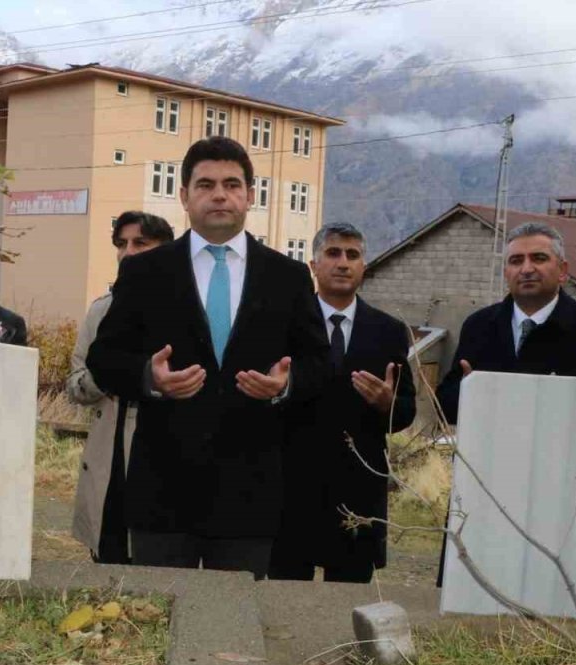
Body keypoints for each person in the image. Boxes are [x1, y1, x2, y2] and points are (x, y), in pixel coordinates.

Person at [86, 136, 330, 577]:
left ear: (250, 196)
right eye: (205, 184)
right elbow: (104, 357)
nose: (220, 194)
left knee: (237, 629)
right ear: (184, 196)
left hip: (249, 495)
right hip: (162, 491)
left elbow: (320, 363)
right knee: (156, 619)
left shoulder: (287, 277)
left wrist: (285, 386)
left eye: (232, 184)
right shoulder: (145, 272)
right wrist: (148, 377)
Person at [269, 223, 416, 583]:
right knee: (285, 603)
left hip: (357, 489)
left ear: (364, 266)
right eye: (333, 253)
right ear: (313, 265)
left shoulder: (390, 331)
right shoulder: (282, 324)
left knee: (347, 607)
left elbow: (407, 410)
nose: (343, 263)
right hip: (292, 485)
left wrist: (387, 403)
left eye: (353, 255)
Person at [69, 211, 176, 564]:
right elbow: (75, 385)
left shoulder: (183, 309)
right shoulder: (100, 312)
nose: (128, 252)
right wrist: (110, 371)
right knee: (109, 564)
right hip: (109, 459)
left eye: (140, 243)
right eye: (121, 244)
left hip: (164, 462)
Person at [435, 222, 576, 424]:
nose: (526, 269)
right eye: (516, 261)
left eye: (539, 258)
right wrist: (471, 391)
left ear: (563, 270)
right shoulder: (479, 326)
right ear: (506, 272)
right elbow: (445, 408)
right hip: (489, 451)